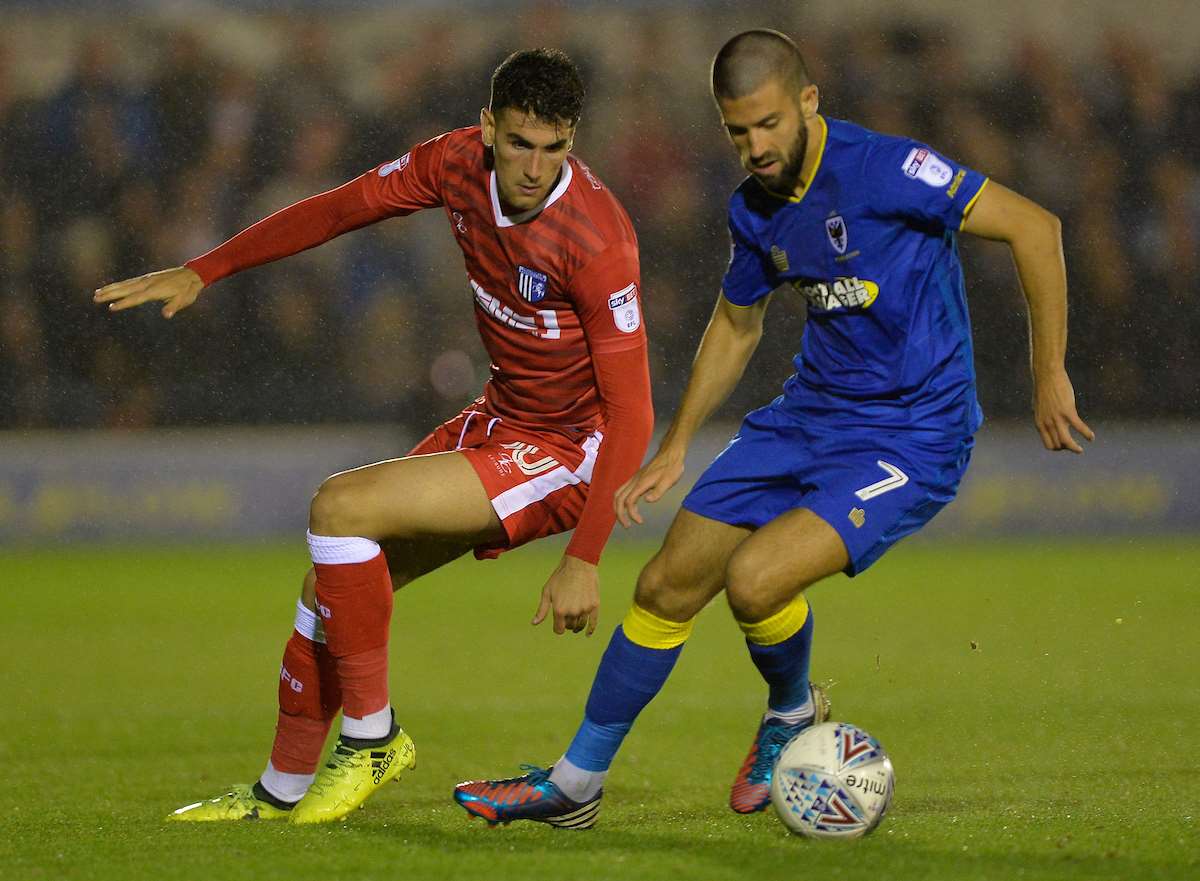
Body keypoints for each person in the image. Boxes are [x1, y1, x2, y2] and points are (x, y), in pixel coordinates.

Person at [452, 29, 1093, 829]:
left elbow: (1038, 228)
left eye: (768, 125)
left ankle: (790, 710)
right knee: (664, 583)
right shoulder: (753, 207)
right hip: (806, 416)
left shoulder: (888, 170)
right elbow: (734, 322)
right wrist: (679, 442)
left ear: (808, 103)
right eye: (737, 131)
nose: (754, 147)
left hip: (911, 434)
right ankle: (576, 784)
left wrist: (1048, 374)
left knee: (756, 579)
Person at [94, 48, 654, 824]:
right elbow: (338, 208)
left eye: (553, 148)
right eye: (520, 142)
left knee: (339, 506)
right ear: (489, 127)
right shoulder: (454, 163)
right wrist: (207, 268)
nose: (534, 166)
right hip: (499, 417)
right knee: (328, 585)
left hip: (562, 451)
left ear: (572, 142)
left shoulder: (597, 239)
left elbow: (633, 413)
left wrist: (584, 557)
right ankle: (277, 792)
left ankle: (373, 736)